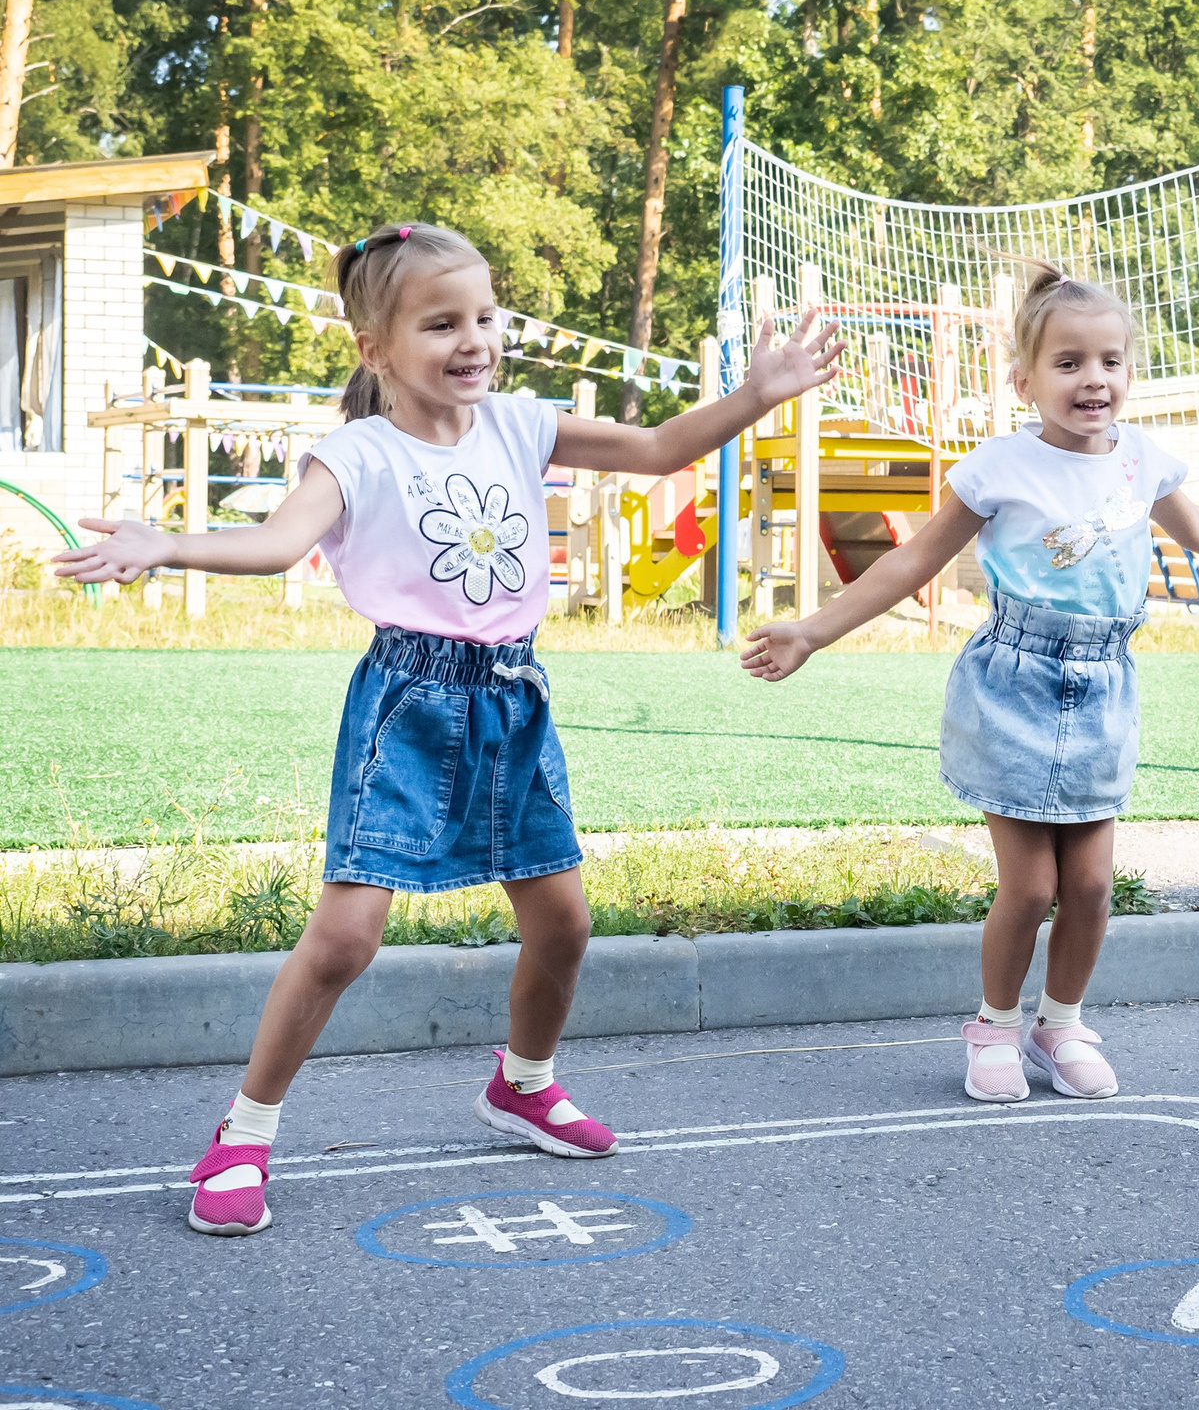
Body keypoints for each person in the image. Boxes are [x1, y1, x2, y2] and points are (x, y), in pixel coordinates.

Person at [53, 223, 843, 1237]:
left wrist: (756, 396)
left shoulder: (518, 424)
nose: (473, 340)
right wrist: (170, 544)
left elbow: (654, 453)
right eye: (440, 324)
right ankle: (243, 1132)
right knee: (344, 939)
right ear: (374, 347)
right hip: (408, 702)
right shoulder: (354, 454)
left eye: (484, 316)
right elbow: (275, 540)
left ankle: (524, 1083)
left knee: (563, 923)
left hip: (513, 699)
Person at [742, 260, 1199, 1104]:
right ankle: (995, 1025)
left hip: (1103, 681)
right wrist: (812, 630)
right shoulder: (999, 468)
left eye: (1111, 361)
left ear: (1131, 370)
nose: (1094, 380)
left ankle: (1062, 1022)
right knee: (1032, 885)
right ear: (1024, 380)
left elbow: (1194, 527)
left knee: (1090, 887)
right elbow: (910, 561)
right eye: (1069, 363)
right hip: (1014, 681)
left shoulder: (1143, 461)